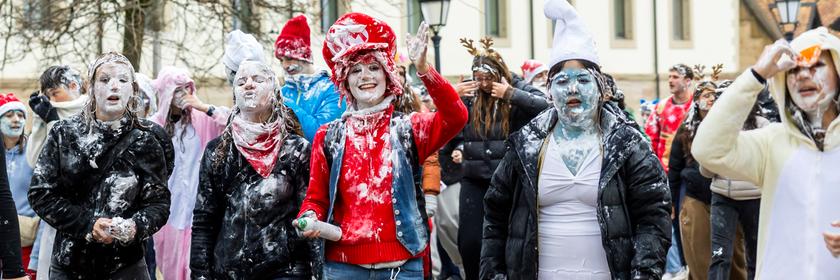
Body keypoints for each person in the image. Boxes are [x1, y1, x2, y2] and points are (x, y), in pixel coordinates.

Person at [481, 1, 671, 278]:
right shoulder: (526, 144)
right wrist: (492, 274)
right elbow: (495, 215)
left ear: (600, 88)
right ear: (549, 91)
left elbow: (653, 215)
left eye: (583, 80)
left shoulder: (627, 143)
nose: (572, 88)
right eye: (561, 81)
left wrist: (644, 273)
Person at [296, 14, 467, 279]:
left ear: (387, 75)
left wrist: (424, 69)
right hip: (343, 267)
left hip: (402, 267)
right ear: (345, 81)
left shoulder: (410, 128)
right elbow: (316, 198)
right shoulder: (328, 136)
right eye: (356, 70)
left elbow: (456, 116)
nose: (365, 76)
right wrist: (309, 215)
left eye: (374, 67)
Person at [693, 27, 840, 278]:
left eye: (816, 66)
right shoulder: (773, 142)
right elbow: (708, 149)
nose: (803, 75)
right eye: (794, 70)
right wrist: (756, 76)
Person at [27, 52, 174, 279]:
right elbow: (40, 194)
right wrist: (87, 225)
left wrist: (135, 227)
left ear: (133, 89)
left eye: (123, 80)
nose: (114, 86)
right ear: (92, 88)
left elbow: (158, 203)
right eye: (105, 80)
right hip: (70, 264)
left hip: (126, 266)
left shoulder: (148, 139)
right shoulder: (64, 134)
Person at [189, 60, 317, 279]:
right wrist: (200, 273)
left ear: (275, 92)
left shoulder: (297, 150)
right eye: (241, 82)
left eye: (258, 79)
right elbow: (204, 219)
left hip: (286, 271)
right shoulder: (217, 151)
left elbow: (311, 215)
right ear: (235, 95)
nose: (248, 84)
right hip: (229, 271)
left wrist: (317, 271)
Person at [449, 36, 549, 280]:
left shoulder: (514, 85)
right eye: (479, 78)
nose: (483, 84)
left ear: (499, 73)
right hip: (474, 178)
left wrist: (511, 93)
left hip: (507, 179)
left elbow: (546, 107)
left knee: (506, 239)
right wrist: (451, 95)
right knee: (470, 242)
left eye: (488, 78)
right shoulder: (469, 92)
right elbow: (446, 123)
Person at [149, 67, 229, 280]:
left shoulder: (200, 120)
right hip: (169, 209)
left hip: (198, 207)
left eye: (187, 88)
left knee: (197, 266)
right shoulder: (154, 125)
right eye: (177, 90)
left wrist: (203, 107)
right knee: (170, 266)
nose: (183, 94)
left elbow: (231, 122)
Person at [668, 68, 747, 280]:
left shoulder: (730, 126)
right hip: (697, 198)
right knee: (700, 257)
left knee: (735, 258)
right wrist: (672, 201)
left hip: (729, 198)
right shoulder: (686, 129)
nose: (710, 99)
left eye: (714, 95)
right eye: (705, 95)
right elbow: (675, 168)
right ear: (696, 100)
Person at [26, 65, 89, 279]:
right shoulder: (51, 112)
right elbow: (34, 160)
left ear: (73, 86)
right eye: (47, 96)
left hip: (83, 209)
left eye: (55, 93)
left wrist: (53, 121)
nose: (51, 100)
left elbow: (73, 161)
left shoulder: (90, 112)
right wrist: (39, 120)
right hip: (56, 210)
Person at [702, 82, 769, 280]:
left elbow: (768, 164)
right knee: (720, 256)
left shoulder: (762, 126)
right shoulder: (716, 127)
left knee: (755, 256)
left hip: (754, 197)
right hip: (723, 195)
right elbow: (705, 170)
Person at [275, 15, 344, 141]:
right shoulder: (283, 91)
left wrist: (288, 104)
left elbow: (322, 136)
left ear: (305, 56)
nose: (284, 65)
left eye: (289, 58)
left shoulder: (332, 90)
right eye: (281, 60)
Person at [1, 94, 39, 279]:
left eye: (21, 115)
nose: (16, 119)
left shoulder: (34, 154)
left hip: (25, 242)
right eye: (9, 115)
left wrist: (36, 259)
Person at [645, 63, 695, 172]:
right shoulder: (661, 107)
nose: (670, 80)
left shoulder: (695, 106)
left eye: (675, 77)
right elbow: (650, 139)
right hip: (665, 169)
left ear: (687, 81)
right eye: (669, 77)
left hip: (691, 168)